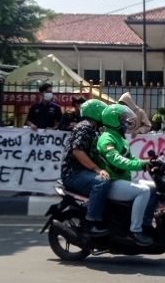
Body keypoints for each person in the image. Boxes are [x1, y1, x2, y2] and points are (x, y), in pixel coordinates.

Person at [96, 104, 155, 246]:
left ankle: (145, 223)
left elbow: (131, 158)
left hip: (123, 180)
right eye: (122, 119)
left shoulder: (120, 138)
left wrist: (146, 162)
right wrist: (139, 165)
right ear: (113, 120)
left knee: (155, 187)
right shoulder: (107, 138)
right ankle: (135, 230)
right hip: (112, 182)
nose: (125, 122)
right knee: (144, 191)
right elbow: (116, 160)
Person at [60, 99, 111, 236]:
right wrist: (97, 169)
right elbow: (78, 151)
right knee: (101, 182)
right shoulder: (85, 127)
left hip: (81, 171)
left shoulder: (94, 128)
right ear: (96, 113)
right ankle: (91, 222)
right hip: (73, 173)